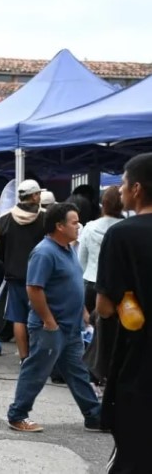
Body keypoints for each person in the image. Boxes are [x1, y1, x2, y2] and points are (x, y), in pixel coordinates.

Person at [6, 202, 102, 433]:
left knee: (78, 372)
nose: (78, 226)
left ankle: (94, 415)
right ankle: (17, 415)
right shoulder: (44, 252)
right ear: (59, 226)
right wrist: (49, 321)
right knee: (36, 371)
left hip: (70, 327)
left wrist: (83, 313)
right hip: (50, 327)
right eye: (74, 222)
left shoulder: (68, 249)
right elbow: (34, 289)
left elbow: (71, 286)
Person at [96, 153, 152, 472]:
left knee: (133, 453)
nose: (120, 189)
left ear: (137, 189)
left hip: (137, 358)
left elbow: (104, 307)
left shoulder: (121, 234)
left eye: (124, 183)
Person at [0, 179, 45, 363]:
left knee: (19, 318)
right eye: (38, 194)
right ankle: (40, 356)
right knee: (41, 315)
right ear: (34, 196)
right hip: (41, 275)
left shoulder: (4, 219)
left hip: (14, 275)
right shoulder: (45, 218)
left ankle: (24, 357)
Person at [78, 187, 123, 318]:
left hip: (91, 281)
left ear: (103, 204)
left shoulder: (89, 227)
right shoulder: (126, 228)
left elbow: (81, 260)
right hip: (118, 285)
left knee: (91, 324)